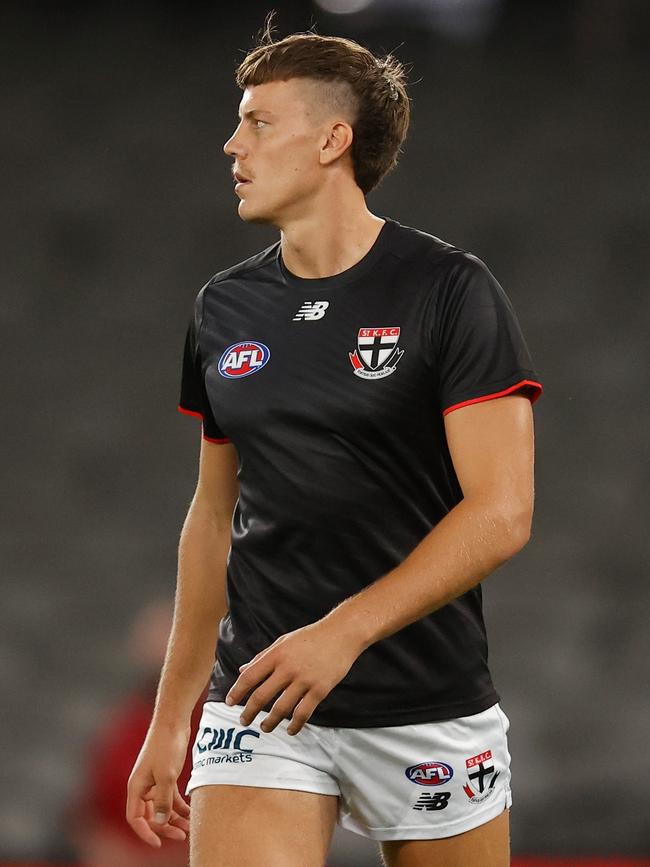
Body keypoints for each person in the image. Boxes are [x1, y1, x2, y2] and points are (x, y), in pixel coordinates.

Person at [126, 25, 543, 867]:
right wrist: (175, 719)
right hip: (262, 700)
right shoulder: (224, 308)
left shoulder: (449, 289)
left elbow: (502, 512)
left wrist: (343, 632)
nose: (231, 144)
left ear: (332, 139)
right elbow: (213, 517)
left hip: (423, 695)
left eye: (257, 122)